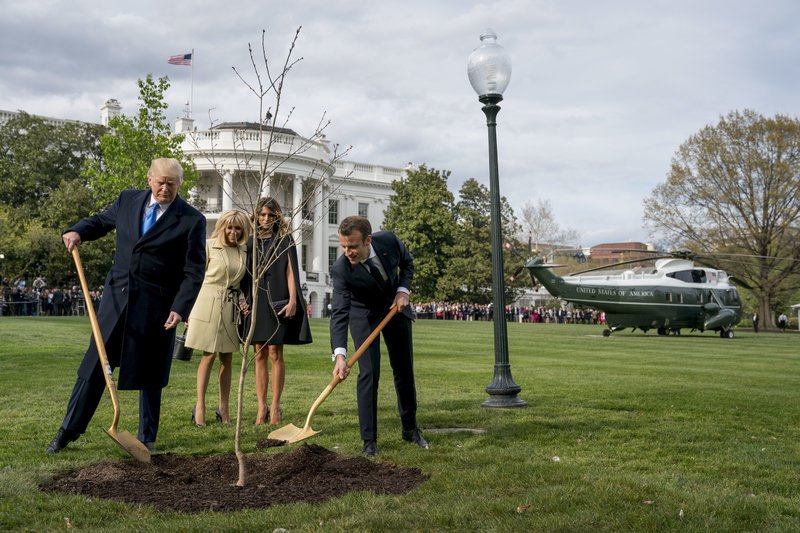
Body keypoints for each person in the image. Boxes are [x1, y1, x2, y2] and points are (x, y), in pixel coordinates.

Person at [46, 158, 206, 454]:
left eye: (172, 183)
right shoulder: (127, 200)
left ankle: (147, 438)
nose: (165, 189)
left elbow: (194, 271)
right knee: (94, 367)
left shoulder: (192, 220)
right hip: (116, 301)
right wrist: (78, 230)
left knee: (151, 373)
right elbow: (100, 222)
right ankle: (67, 431)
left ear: (180, 185)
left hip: (156, 309)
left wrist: (180, 307)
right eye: (160, 182)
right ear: (149, 179)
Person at [331, 215, 427, 457]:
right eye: (343, 246)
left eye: (352, 246)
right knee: (369, 373)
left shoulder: (389, 242)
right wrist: (340, 355)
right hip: (363, 315)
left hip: (396, 308)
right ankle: (369, 441)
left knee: (404, 370)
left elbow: (407, 263)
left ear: (368, 240)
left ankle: (410, 429)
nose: (347, 252)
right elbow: (340, 313)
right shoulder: (341, 269)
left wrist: (403, 290)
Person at [240, 197, 311, 426]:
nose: (266, 219)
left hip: (279, 299)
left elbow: (291, 272)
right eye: (262, 214)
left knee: (275, 352)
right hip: (256, 300)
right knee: (259, 352)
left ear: (277, 216)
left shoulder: (285, 240)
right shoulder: (249, 242)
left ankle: (276, 406)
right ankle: (262, 407)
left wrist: (292, 300)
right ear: (256, 216)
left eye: (271, 215)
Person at [185, 209, 250, 426]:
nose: (233, 232)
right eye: (230, 227)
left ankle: (224, 408)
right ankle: (200, 406)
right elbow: (194, 277)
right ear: (222, 227)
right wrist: (186, 307)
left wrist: (241, 299)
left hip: (231, 305)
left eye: (238, 228)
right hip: (206, 301)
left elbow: (239, 283)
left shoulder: (244, 250)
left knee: (228, 357)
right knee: (208, 354)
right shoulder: (208, 245)